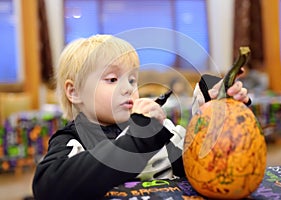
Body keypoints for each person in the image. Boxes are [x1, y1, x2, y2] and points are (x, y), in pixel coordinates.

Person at [32, 34, 251, 200]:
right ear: (74, 92)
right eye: (112, 79)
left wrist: (215, 110)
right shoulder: (73, 139)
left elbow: (200, 159)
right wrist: (138, 139)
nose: (128, 88)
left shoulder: (154, 128)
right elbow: (48, 188)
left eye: (132, 80)